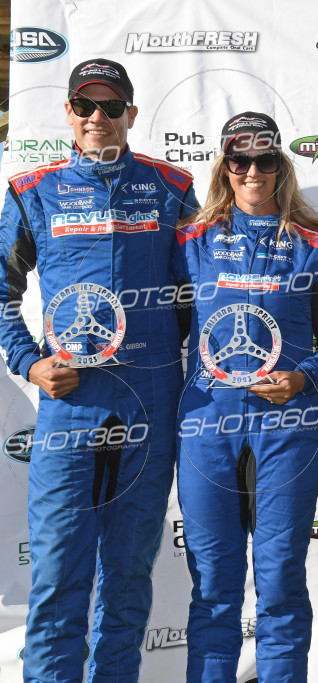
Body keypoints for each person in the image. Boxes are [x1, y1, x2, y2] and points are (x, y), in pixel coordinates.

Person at [0, 58, 198, 681]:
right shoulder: (32, 189)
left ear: (131, 115)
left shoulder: (171, 186)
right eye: (85, 105)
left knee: (130, 574)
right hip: (72, 398)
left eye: (111, 107)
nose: (97, 117)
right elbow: (1, 292)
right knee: (59, 572)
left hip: (150, 394)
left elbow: (202, 288)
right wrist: (30, 362)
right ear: (68, 112)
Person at [176, 112, 318, 682]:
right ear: (224, 167)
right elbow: (157, 330)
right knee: (213, 584)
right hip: (206, 426)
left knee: (279, 581)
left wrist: (306, 378)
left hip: (287, 427)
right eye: (239, 159)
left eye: (264, 158)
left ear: (281, 166)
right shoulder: (190, 242)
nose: (252, 170)